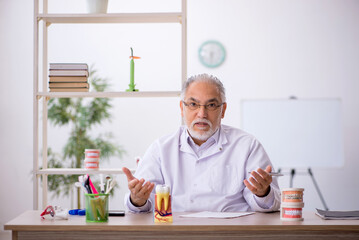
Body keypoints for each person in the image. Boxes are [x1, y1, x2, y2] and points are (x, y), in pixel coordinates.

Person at [123, 74, 280, 212]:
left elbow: (272, 204)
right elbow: (142, 206)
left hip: (231, 233)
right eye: (193, 104)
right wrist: (137, 199)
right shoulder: (161, 149)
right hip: (176, 233)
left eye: (211, 105)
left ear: (223, 110)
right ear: (181, 108)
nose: (202, 113)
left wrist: (262, 193)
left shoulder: (247, 146)